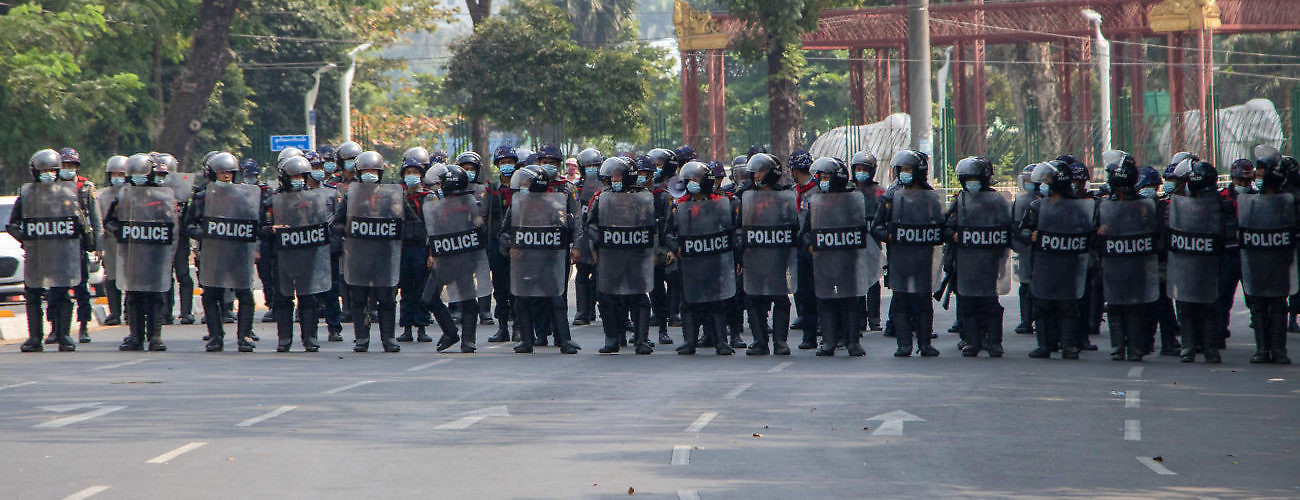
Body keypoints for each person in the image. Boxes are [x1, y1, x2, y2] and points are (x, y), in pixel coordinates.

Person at [10, 149, 91, 352]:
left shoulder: (67, 193)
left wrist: (87, 240)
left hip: (61, 254)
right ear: (35, 172)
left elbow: (79, 222)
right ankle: (35, 338)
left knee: (63, 293)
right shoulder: (27, 196)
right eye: (44, 170)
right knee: (33, 294)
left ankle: (64, 336)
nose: (49, 174)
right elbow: (12, 224)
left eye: (52, 170)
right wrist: (26, 238)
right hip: (37, 254)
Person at [1018, 160, 1097, 359]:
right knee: (1042, 305)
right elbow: (1022, 230)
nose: (1042, 184)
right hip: (1044, 265)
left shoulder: (1078, 208)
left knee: (1068, 307)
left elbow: (1089, 235)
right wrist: (1030, 235)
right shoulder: (1036, 207)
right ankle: (1045, 345)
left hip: (1069, 266)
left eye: (1046, 181)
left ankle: (1069, 345)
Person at [870, 150, 943, 357]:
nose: (904, 173)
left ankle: (925, 343)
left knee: (923, 301)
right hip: (899, 259)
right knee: (900, 300)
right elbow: (876, 226)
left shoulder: (930, 197)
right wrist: (889, 237)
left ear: (918, 171)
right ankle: (904, 344)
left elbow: (941, 227)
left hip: (922, 258)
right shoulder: (891, 196)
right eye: (901, 170)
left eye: (908, 170)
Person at [802, 157, 876, 356]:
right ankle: (828, 342)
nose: (823, 180)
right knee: (826, 301)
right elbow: (806, 231)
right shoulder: (815, 200)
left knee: (850, 302)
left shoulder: (852, 199)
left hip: (847, 261)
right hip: (824, 262)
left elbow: (859, 229)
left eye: (827, 177)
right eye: (821, 177)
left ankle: (853, 342)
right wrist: (809, 244)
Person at [501, 165, 580, 354]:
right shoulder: (516, 206)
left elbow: (572, 227)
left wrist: (573, 246)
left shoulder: (555, 206)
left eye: (526, 183)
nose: (522, 186)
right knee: (521, 299)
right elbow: (504, 233)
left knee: (556, 300)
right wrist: (510, 247)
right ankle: (527, 340)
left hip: (548, 260)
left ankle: (564, 340)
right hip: (525, 261)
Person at [187, 152, 260, 352]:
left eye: (229, 172)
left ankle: (244, 336)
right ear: (212, 174)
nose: (226, 176)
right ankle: (215, 336)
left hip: (239, 253)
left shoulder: (245, 195)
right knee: (211, 294)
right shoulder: (203, 196)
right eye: (221, 172)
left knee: (245, 294)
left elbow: (255, 222)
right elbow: (190, 224)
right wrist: (203, 233)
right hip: (213, 253)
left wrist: (256, 246)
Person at [104, 153, 177, 351]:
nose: (139, 178)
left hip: (155, 254)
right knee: (134, 296)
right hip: (132, 254)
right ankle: (135, 336)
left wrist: (169, 254)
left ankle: (155, 336)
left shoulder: (162, 196)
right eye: (135, 174)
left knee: (155, 296)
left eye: (143, 174)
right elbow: (109, 221)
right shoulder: (124, 196)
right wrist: (121, 232)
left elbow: (172, 226)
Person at [332, 151, 404, 353]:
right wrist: (344, 228)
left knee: (386, 297)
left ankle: (388, 338)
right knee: (359, 298)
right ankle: (362, 338)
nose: (369, 174)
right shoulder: (351, 195)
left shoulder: (392, 195)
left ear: (380, 173)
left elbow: (404, 222)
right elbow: (336, 222)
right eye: (365, 171)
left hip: (384, 254)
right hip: (359, 255)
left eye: (373, 170)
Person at [1165, 158, 1232, 363]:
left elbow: (1225, 233)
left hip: (1208, 261)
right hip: (1187, 260)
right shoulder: (1182, 205)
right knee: (1188, 303)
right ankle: (1191, 346)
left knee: (1207, 304)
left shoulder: (1220, 205)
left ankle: (1208, 347)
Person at [587, 156, 656, 354]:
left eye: (618, 176)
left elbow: (653, 226)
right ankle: (612, 338)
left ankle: (642, 339)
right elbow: (590, 224)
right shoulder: (602, 197)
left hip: (635, 256)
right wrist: (599, 240)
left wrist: (654, 251)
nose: (614, 180)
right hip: (610, 256)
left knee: (639, 297)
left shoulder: (643, 197)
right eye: (612, 176)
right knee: (607, 297)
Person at [943, 156, 1011, 357]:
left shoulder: (997, 200)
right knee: (968, 303)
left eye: (974, 177)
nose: (971, 182)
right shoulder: (960, 200)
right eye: (967, 178)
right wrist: (953, 235)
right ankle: (972, 341)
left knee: (990, 303)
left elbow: (1007, 230)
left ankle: (994, 342)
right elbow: (946, 227)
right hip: (966, 263)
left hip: (989, 262)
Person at [667, 161, 737, 355]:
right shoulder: (679, 205)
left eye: (695, 179)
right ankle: (690, 341)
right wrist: (676, 247)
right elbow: (669, 233)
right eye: (688, 180)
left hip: (714, 261)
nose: (691, 183)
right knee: (689, 302)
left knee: (717, 301)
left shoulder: (721, 202)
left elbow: (731, 231)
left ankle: (721, 342)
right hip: (690, 262)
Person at [1096, 151, 1160, 361]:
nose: (1121, 194)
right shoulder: (1104, 206)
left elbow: (1157, 234)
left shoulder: (1146, 206)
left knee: (1135, 307)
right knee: (1114, 306)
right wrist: (1100, 232)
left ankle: (1134, 347)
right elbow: (1092, 236)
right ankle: (1117, 347)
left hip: (1137, 264)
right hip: (1114, 264)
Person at [425, 163, 492, 353]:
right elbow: (434, 232)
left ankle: (468, 340)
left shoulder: (470, 204)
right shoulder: (439, 205)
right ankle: (450, 332)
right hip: (444, 260)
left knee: (467, 297)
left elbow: (480, 231)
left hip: (464, 259)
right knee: (429, 297)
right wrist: (432, 253)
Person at [739, 153, 798, 356]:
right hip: (753, 258)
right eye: (754, 171)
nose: (756, 175)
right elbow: (738, 228)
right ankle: (760, 341)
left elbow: (793, 226)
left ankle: (780, 341)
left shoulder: (784, 197)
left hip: (776, 258)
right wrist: (740, 253)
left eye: (761, 171)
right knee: (754, 299)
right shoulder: (744, 196)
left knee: (780, 298)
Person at [1241, 146, 1293, 364]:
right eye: (1258, 173)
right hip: (1257, 261)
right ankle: (1262, 348)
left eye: (1263, 173)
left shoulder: (1286, 202)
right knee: (1258, 306)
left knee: (1278, 305)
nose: (1259, 177)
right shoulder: (1252, 201)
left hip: (1278, 262)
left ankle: (1278, 349)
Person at [49, 148, 101, 344]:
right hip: (54, 243)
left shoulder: (85, 188)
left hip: (77, 242)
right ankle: (55, 327)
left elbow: (96, 219)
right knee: (55, 289)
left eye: (71, 165)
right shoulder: (50, 187)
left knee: (82, 288)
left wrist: (98, 245)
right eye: (64, 165)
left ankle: (84, 327)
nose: (67, 169)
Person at [396, 147, 434, 343]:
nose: (412, 176)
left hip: (421, 248)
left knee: (421, 288)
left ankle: (422, 326)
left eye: (416, 173)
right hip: (403, 250)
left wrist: (432, 253)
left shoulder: (428, 197)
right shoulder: (397, 197)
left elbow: (434, 227)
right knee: (406, 290)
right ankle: (407, 327)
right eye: (409, 173)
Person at [485, 146, 518, 343]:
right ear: (497, 166)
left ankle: (519, 328)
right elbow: (483, 215)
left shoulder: (522, 187)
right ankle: (503, 327)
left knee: (517, 287)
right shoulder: (491, 189)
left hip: (518, 243)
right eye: (503, 162)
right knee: (500, 288)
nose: (507, 166)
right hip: (496, 244)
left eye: (510, 162)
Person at [850, 151, 885, 333]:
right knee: (856, 281)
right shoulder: (848, 191)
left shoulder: (880, 192)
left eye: (864, 169)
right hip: (853, 243)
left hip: (872, 243)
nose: (860, 172)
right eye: (858, 169)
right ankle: (859, 319)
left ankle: (874, 318)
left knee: (872, 281)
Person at [789, 150, 819, 349]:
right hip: (798, 246)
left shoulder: (817, 191)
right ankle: (809, 334)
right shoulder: (793, 192)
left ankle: (827, 330)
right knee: (804, 291)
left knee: (821, 291)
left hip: (816, 246)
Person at [572, 148, 604, 326]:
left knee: (600, 275)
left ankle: (599, 308)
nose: (592, 169)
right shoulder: (576, 188)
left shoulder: (605, 187)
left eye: (595, 165)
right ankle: (583, 311)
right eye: (588, 166)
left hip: (599, 238)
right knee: (582, 274)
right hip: (583, 238)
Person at [98, 155, 129, 327]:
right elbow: (101, 221)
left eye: (121, 174)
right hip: (111, 242)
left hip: (131, 243)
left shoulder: (134, 194)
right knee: (112, 278)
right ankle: (114, 313)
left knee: (131, 279)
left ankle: (129, 312)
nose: (117, 177)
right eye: (114, 174)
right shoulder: (102, 196)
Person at [1010, 165, 1040, 336]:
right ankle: (1026, 320)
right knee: (1025, 285)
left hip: (1043, 250)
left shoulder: (1046, 199)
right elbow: (1015, 227)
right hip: (1027, 249)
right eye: (1026, 180)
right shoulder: (1021, 201)